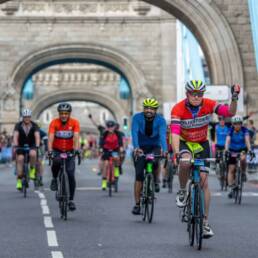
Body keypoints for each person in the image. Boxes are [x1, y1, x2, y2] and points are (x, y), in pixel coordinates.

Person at [171, 80, 240, 238]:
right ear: (187, 94)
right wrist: (177, 153)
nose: (196, 97)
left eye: (200, 94)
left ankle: (205, 223)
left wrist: (234, 98)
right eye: (193, 94)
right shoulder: (178, 109)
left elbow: (230, 113)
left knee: (204, 181)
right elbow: (174, 133)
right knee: (185, 161)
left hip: (202, 143)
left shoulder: (209, 104)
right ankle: (182, 191)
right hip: (185, 142)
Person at [131, 97, 167, 215]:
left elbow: (162, 135)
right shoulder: (137, 118)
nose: (149, 110)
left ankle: (155, 181)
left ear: (156, 110)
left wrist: (165, 150)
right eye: (147, 108)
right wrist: (136, 147)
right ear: (144, 109)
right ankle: (137, 204)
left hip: (154, 147)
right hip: (140, 147)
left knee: (156, 162)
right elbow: (134, 133)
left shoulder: (161, 120)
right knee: (139, 176)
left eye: (152, 108)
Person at [48, 103, 80, 211]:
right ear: (59, 114)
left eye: (66, 113)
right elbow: (51, 137)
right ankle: (54, 178)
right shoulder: (54, 123)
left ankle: (71, 200)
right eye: (62, 113)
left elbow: (76, 137)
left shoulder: (75, 122)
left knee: (70, 174)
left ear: (69, 114)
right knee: (56, 162)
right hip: (57, 150)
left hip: (70, 150)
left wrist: (76, 149)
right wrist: (50, 150)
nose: (64, 115)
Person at [224, 116, 254, 198]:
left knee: (243, 158)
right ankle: (231, 187)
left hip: (242, 149)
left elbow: (247, 141)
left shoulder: (244, 130)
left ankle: (243, 172)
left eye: (239, 124)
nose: (237, 125)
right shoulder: (230, 130)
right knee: (231, 169)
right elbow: (227, 140)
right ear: (233, 124)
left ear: (241, 124)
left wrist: (250, 150)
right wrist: (226, 149)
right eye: (235, 124)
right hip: (232, 150)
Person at [13, 108, 40, 190]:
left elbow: (37, 136)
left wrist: (37, 145)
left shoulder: (34, 125)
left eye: (28, 117)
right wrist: (15, 145)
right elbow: (15, 136)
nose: (27, 118)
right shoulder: (18, 125)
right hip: (20, 145)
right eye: (25, 117)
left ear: (30, 117)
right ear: (23, 117)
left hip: (31, 145)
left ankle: (32, 169)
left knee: (33, 154)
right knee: (20, 159)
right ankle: (19, 180)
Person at [99, 120, 124, 190]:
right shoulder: (104, 134)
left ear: (114, 127)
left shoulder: (118, 133)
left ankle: (116, 175)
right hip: (106, 150)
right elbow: (101, 143)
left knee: (117, 160)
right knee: (106, 164)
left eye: (111, 127)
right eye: (108, 127)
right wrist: (100, 149)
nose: (110, 128)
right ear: (106, 127)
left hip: (115, 150)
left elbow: (120, 143)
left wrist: (121, 148)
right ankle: (104, 182)